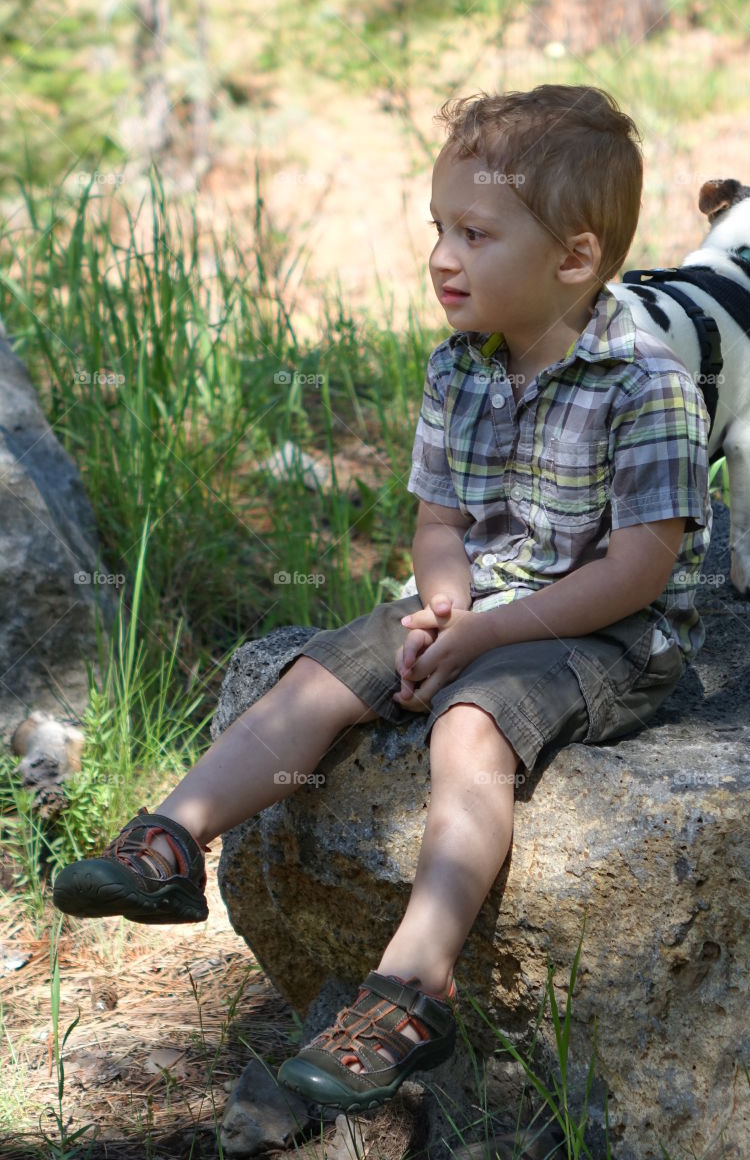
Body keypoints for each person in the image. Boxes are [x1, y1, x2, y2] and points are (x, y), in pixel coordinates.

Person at [53, 83, 713, 1113]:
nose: (443, 256)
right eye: (437, 228)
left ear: (575, 259)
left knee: (469, 727)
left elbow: (638, 570)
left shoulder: (648, 384)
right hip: (485, 597)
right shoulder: (460, 364)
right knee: (316, 676)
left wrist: (485, 638)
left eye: (476, 233)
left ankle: (411, 985)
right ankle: (172, 839)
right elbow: (439, 522)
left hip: (608, 629)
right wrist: (444, 604)